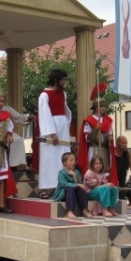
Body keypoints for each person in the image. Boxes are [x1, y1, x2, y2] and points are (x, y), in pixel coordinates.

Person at [37, 69, 72, 199]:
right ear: (56, 80)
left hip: (62, 128)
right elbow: (45, 115)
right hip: (50, 129)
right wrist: (52, 133)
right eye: (63, 79)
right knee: (49, 158)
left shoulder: (63, 93)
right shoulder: (44, 95)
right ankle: (44, 187)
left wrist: (65, 124)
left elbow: (66, 110)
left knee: (63, 156)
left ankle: (61, 185)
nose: (64, 82)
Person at [78, 86, 114, 176]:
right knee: (94, 172)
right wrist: (95, 129)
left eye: (104, 106)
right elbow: (87, 138)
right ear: (96, 107)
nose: (103, 108)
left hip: (105, 149)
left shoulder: (107, 120)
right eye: (101, 106)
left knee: (105, 174)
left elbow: (110, 134)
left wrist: (110, 139)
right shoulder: (89, 120)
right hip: (94, 148)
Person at [51, 152, 90, 219]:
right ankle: (69, 211)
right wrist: (77, 185)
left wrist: (74, 176)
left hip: (75, 193)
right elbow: (64, 184)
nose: (73, 162)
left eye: (74, 160)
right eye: (71, 160)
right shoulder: (61, 172)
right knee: (70, 188)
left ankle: (84, 209)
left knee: (81, 189)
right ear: (65, 163)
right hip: (63, 192)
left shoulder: (77, 172)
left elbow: (80, 183)